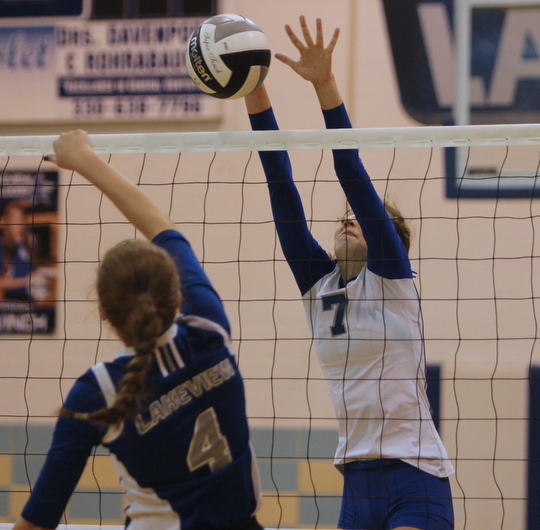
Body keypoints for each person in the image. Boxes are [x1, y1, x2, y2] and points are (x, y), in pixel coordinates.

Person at [244, 16, 454, 530]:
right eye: (344, 216)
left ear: (389, 242)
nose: (347, 216)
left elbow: (351, 172)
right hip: (356, 486)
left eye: (360, 218)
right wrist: (253, 85)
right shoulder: (320, 286)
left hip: (415, 476)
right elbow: (280, 182)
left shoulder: (391, 277)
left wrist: (325, 86)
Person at [12, 131, 263, 530]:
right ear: (179, 295)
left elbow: (39, 519)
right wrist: (85, 159)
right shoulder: (207, 329)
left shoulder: (97, 392)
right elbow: (163, 228)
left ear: (103, 313)